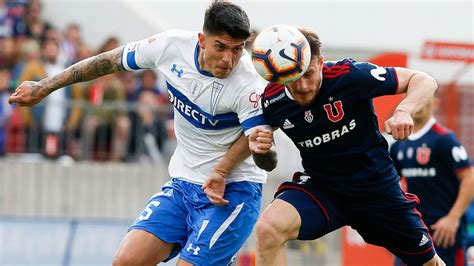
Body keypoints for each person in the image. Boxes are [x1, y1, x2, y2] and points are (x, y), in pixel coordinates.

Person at [8, 1, 276, 265]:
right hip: (184, 183)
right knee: (127, 261)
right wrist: (45, 86)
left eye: (237, 50)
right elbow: (109, 61)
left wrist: (235, 164)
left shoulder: (249, 84)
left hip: (234, 189)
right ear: (202, 40)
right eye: (221, 47)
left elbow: (264, 153)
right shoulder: (170, 46)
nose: (228, 59)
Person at [249, 27, 445, 265]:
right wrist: (262, 151)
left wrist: (403, 111)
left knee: (430, 263)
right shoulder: (272, 100)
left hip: (376, 190)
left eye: (308, 74)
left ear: (320, 63)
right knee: (268, 229)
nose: (302, 87)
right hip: (323, 189)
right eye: (293, 79)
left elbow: (424, 80)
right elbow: (268, 163)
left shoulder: (349, 75)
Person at [389, 93, 474, 265]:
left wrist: (453, 218)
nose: (418, 104)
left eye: (424, 99)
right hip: (414, 230)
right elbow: (389, 182)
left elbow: (469, 177)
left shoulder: (444, 138)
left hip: (444, 233)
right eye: (415, 99)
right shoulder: (399, 144)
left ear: (435, 103)